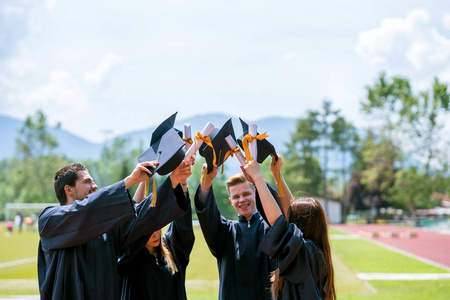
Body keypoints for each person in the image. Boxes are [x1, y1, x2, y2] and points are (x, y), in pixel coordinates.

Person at [38, 160, 190, 300]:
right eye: (87, 182)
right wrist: (129, 181)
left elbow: (140, 219)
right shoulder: (50, 221)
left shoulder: (105, 232)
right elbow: (84, 212)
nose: (95, 186)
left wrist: (174, 181)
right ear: (69, 190)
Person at [243, 158, 336, 300]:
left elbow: (278, 222)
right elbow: (291, 211)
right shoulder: (314, 251)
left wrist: (258, 177)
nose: (287, 218)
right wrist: (276, 175)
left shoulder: (306, 251)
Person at [119, 155, 195, 300]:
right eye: (148, 232)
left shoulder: (172, 252)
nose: (154, 234)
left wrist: (182, 181)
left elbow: (183, 225)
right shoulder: (131, 256)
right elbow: (135, 217)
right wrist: (144, 180)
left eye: (157, 228)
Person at [194, 163, 274, 300]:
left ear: (256, 193)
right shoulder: (225, 233)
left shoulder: (271, 229)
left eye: (246, 194)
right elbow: (208, 217)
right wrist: (206, 183)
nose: (242, 200)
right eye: (236, 197)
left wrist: (258, 178)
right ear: (231, 201)